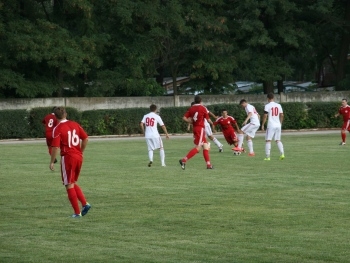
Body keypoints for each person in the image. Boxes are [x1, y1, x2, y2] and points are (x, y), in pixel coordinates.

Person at [49, 107, 91, 218]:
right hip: (78, 156)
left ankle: (77, 213)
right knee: (72, 182)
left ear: (55, 116)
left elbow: (55, 147)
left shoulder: (57, 129)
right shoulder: (75, 124)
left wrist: (52, 161)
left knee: (68, 184)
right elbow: (86, 138)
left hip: (68, 157)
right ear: (65, 114)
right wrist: (80, 151)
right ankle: (85, 204)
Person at [179, 95, 213, 170]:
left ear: (195, 101)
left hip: (195, 128)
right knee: (198, 148)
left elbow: (184, 118)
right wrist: (213, 124)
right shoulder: (203, 108)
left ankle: (208, 165)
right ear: (201, 101)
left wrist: (189, 121)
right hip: (200, 129)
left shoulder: (191, 108)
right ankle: (183, 160)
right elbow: (208, 119)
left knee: (205, 146)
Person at [261, 93, 285, 160]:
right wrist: (280, 123)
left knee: (268, 140)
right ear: (273, 98)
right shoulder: (278, 105)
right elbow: (282, 115)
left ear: (268, 98)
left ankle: (267, 157)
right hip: (278, 125)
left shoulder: (267, 106)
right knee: (278, 140)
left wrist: (263, 124)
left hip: (271, 125)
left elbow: (265, 115)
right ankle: (282, 154)